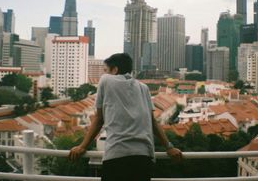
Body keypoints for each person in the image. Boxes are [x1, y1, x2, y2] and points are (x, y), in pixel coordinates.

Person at [69, 53, 182, 181]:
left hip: (117, 155)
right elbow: (153, 122)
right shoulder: (143, 88)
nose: (104, 73)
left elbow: (99, 119)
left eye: (106, 70)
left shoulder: (106, 80)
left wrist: (82, 146)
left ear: (115, 69)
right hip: (143, 157)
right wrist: (169, 147)